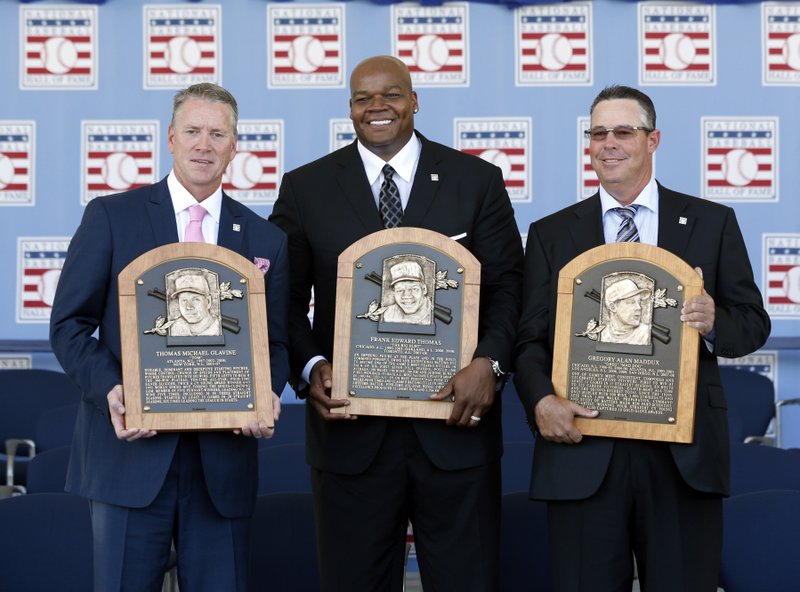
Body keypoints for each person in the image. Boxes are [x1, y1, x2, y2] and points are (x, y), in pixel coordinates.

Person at [269, 55, 523, 592]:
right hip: (350, 436)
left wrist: (490, 364)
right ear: (350, 109)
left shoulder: (476, 181)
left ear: (414, 101)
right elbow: (283, 300)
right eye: (363, 98)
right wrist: (311, 365)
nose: (377, 107)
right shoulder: (305, 187)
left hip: (457, 432)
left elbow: (508, 287)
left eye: (391, 95)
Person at [514, 84, 770, 592]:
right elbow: (528, 341)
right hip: (584, 453)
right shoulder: (550, 233)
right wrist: (541, 399)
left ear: (653, 140)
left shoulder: (711, 223)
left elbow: (752, 323)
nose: (609, 143)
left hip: (681, 458)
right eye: (598, 133)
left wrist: (714, 319)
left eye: (623, 132)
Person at [49, 82, 290, 592]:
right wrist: (113, 390)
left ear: (235, 145)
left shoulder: (266, 239)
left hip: (221, 469)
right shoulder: (112, 217)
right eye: (193, 131)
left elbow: (276, 344)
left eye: (217, 134)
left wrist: (266, 392)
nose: (205, 144)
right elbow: (69, 325)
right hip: (128, 460)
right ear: (171, 139)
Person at [599, 277, 652, 345]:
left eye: (639, 302)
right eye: (631, 302)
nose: (639, 307)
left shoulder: (646, 335)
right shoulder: (602, 335)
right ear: (613, 307)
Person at [169, 272, 222, 337]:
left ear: (208, 302)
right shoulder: (175, 328)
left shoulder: (218, 328)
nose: (189, 307)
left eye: (195, 300)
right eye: (184, 300)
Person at [382, 259, 433, 325]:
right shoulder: (388, 314)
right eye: (400, 290)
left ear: (424, 289)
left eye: (414, 289)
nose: (406, 295)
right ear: (394, 293)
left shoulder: (432, 314)